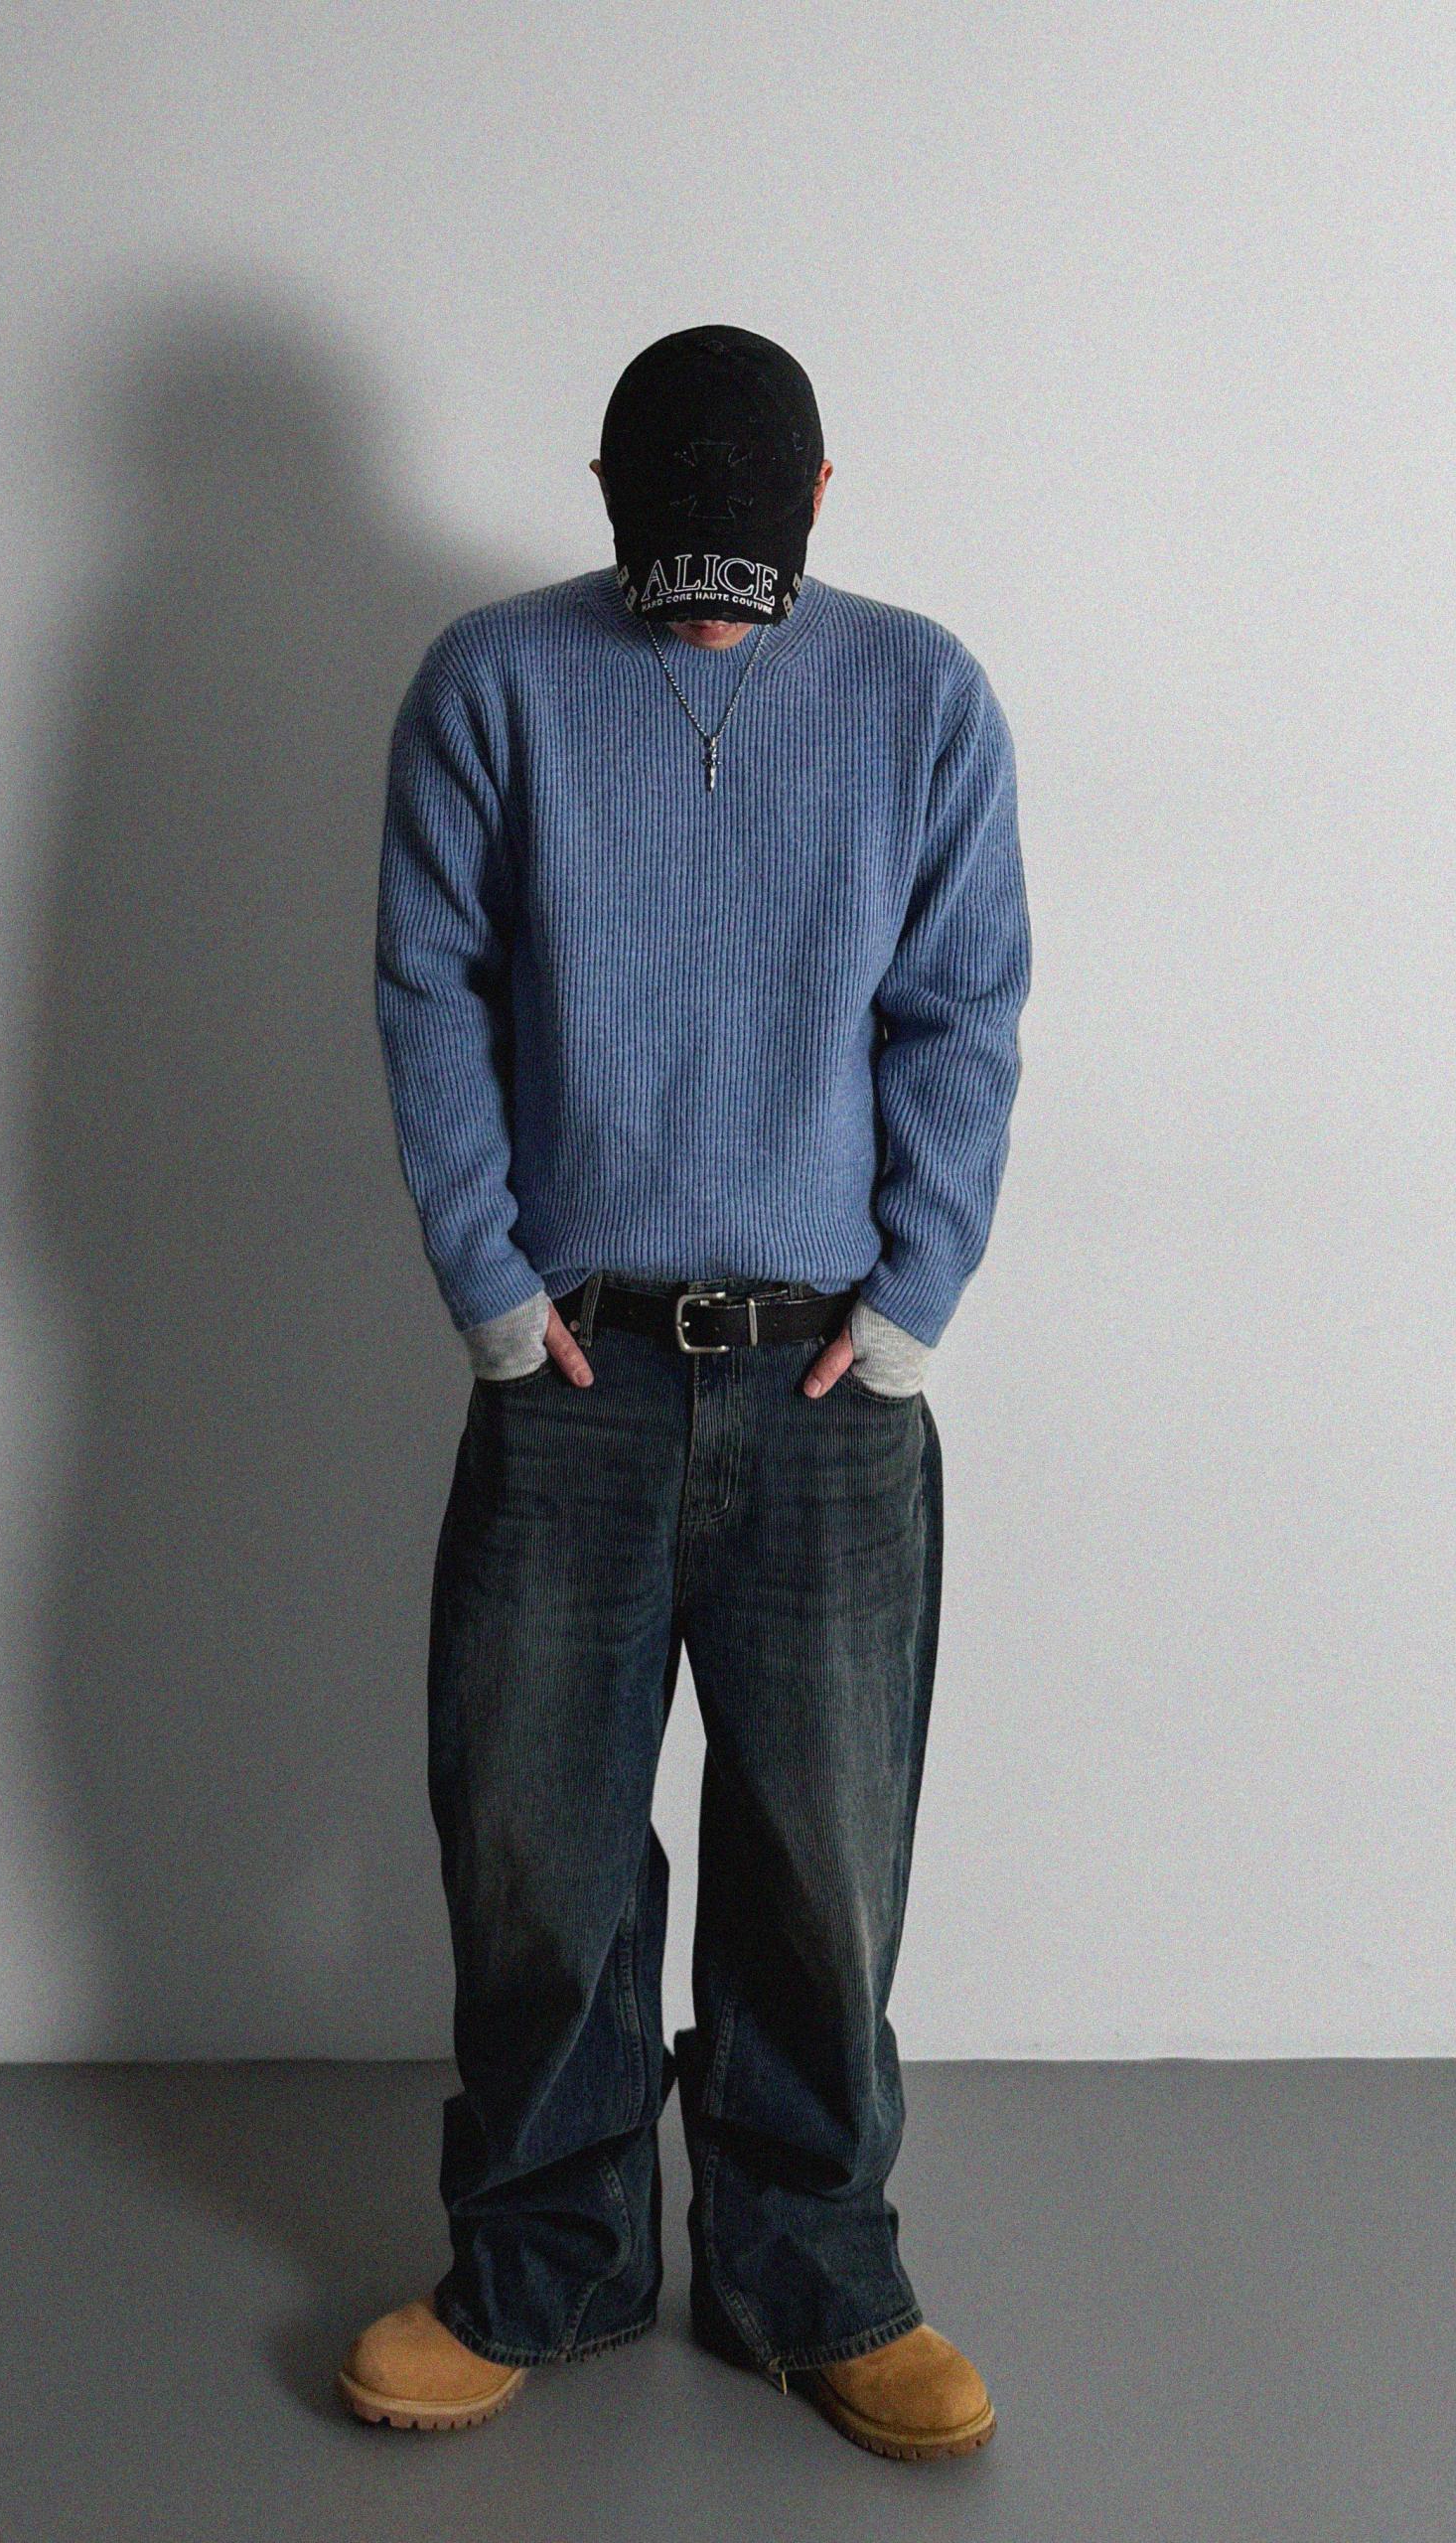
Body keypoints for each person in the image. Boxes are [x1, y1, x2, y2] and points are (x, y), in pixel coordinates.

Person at [341, 325, 1031, 2462]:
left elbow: (964, 1004)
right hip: (573, 1369)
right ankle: (542, 2260)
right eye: (678, 549)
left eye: (750, 547)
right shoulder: (494, 682)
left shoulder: (921, 696)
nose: (715, 602)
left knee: (824, 1860)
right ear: (604, 496)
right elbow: (429, 981)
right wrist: (486, 1281)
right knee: (533, 1850)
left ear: (818, 497)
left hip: (831, 1377)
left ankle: (811, 2269)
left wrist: (913, 1299)